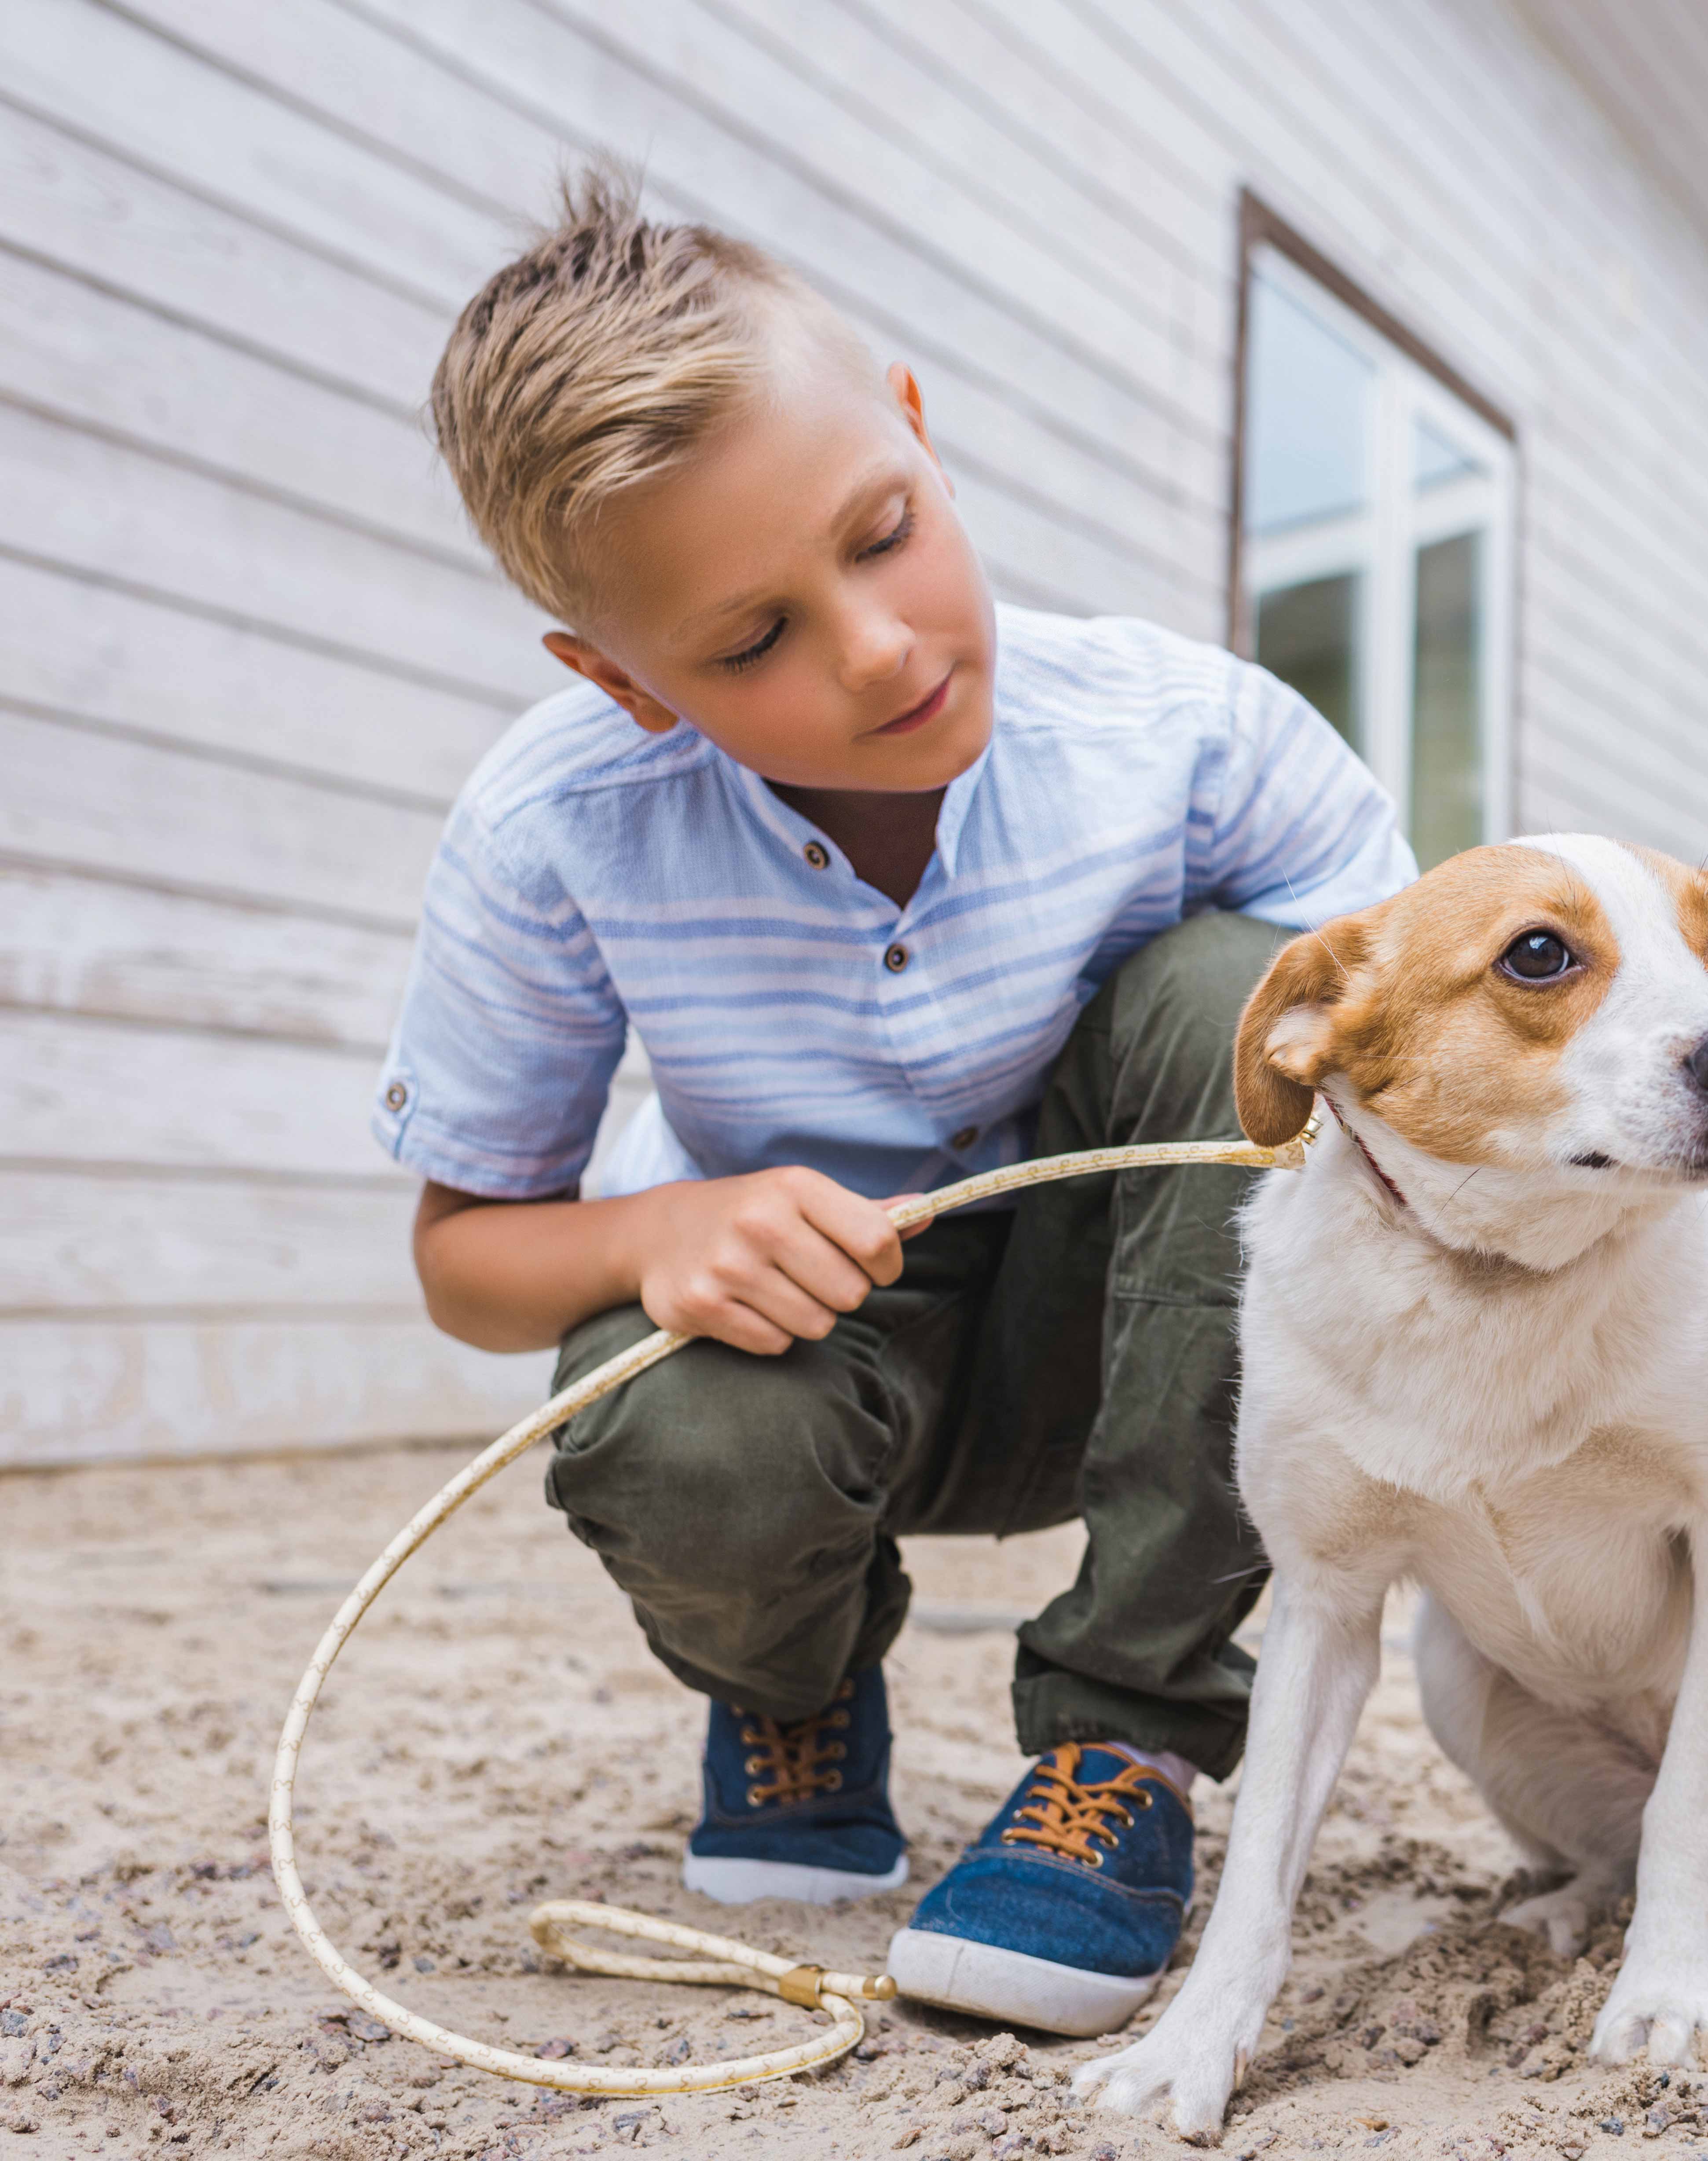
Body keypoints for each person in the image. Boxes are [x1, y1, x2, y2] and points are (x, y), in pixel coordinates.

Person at [381, 169, 1413, 2036]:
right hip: (815, 1356)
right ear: (618, 681)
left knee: (1239, 991)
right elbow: (466, 1260)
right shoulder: (550, 832)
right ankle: (789, 1683)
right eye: (748, 642)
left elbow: (1410, 1086)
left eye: (885, 532)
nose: (876, 648)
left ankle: (1126, 1746)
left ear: (920, 432)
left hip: (1147, 1338)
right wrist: (653, 1230)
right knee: (677, 1437)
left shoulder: (1197, 742)